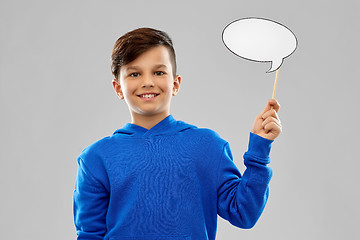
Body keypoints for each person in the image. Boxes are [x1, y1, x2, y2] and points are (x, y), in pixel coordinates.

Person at [73, 27, 282, 240]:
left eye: (159, 72)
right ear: (118, 87)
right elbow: (90, 234)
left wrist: (259, 151)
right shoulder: (95, 158)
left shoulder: (208, 146)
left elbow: (243, 213)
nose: (148, 82)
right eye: (135, 73)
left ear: (175, 83)